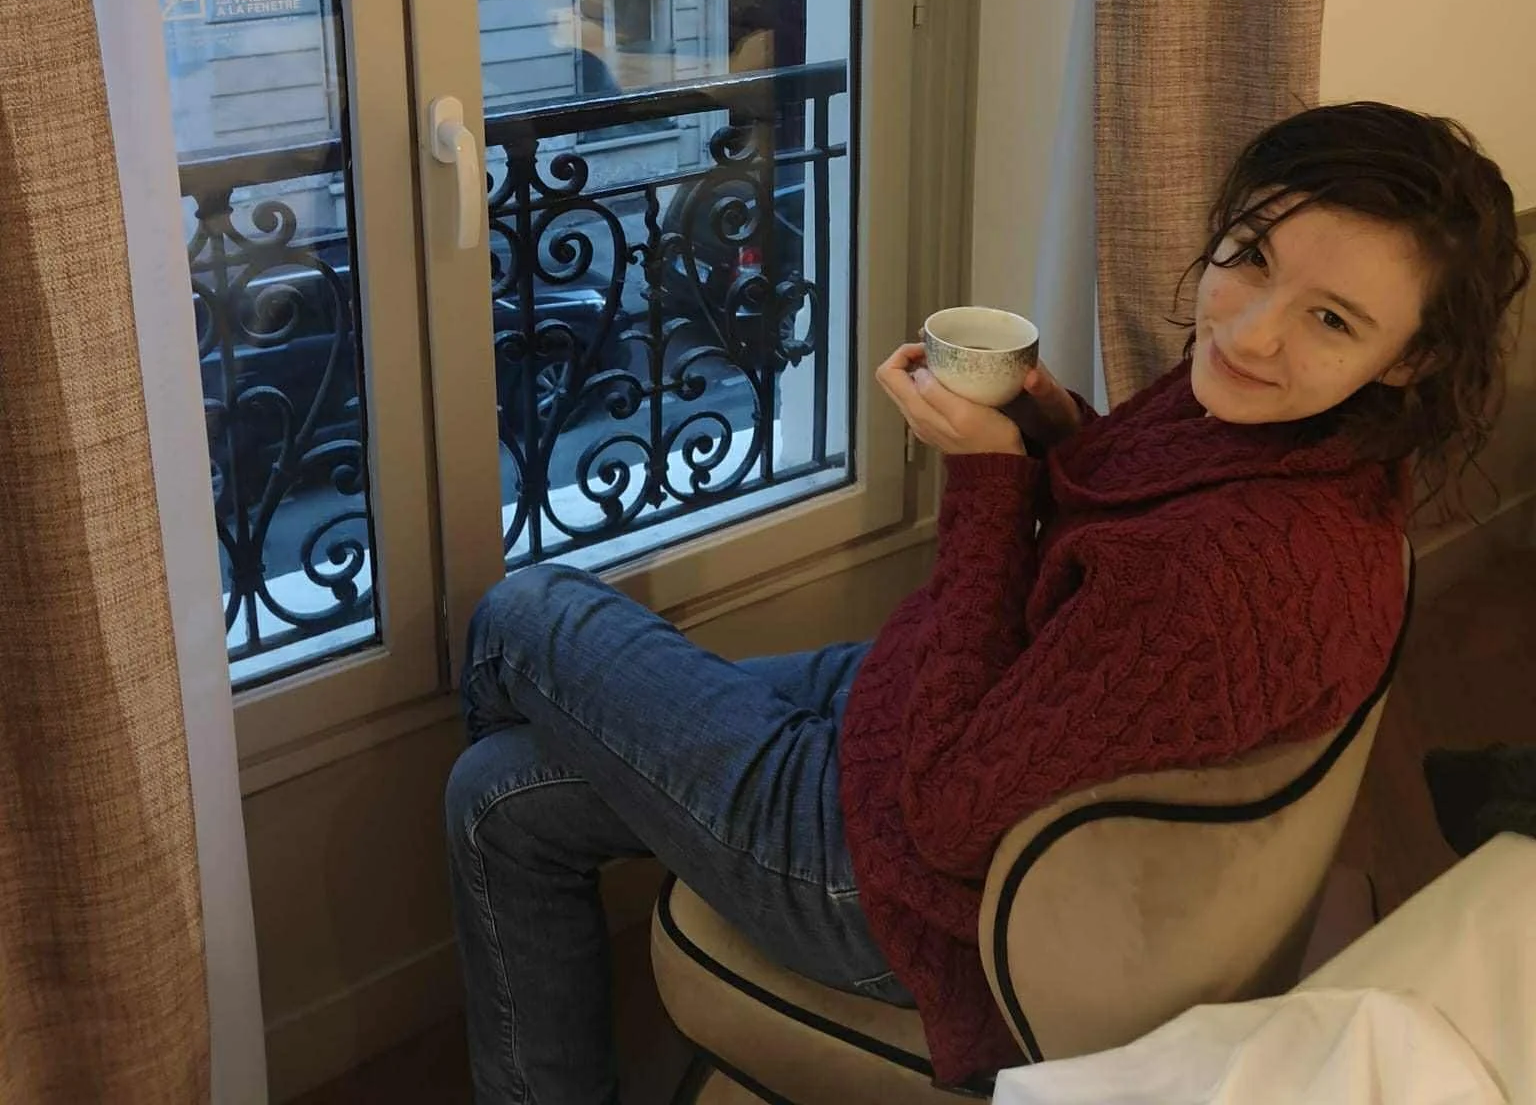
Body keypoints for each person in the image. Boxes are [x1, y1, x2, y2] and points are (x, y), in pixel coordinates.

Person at [444, 101, 1529, 1101]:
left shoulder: (1229, 578)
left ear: (1412, 354)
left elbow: (950, 813)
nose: (1250, 332)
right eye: (1249, 257)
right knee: (496, 792)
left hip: (890, 868)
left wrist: (988, 475)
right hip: (934, 706)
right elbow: (1128, 521)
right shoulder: (1315, 445)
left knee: (528, 611)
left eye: (1332, 318)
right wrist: (1053, 420)